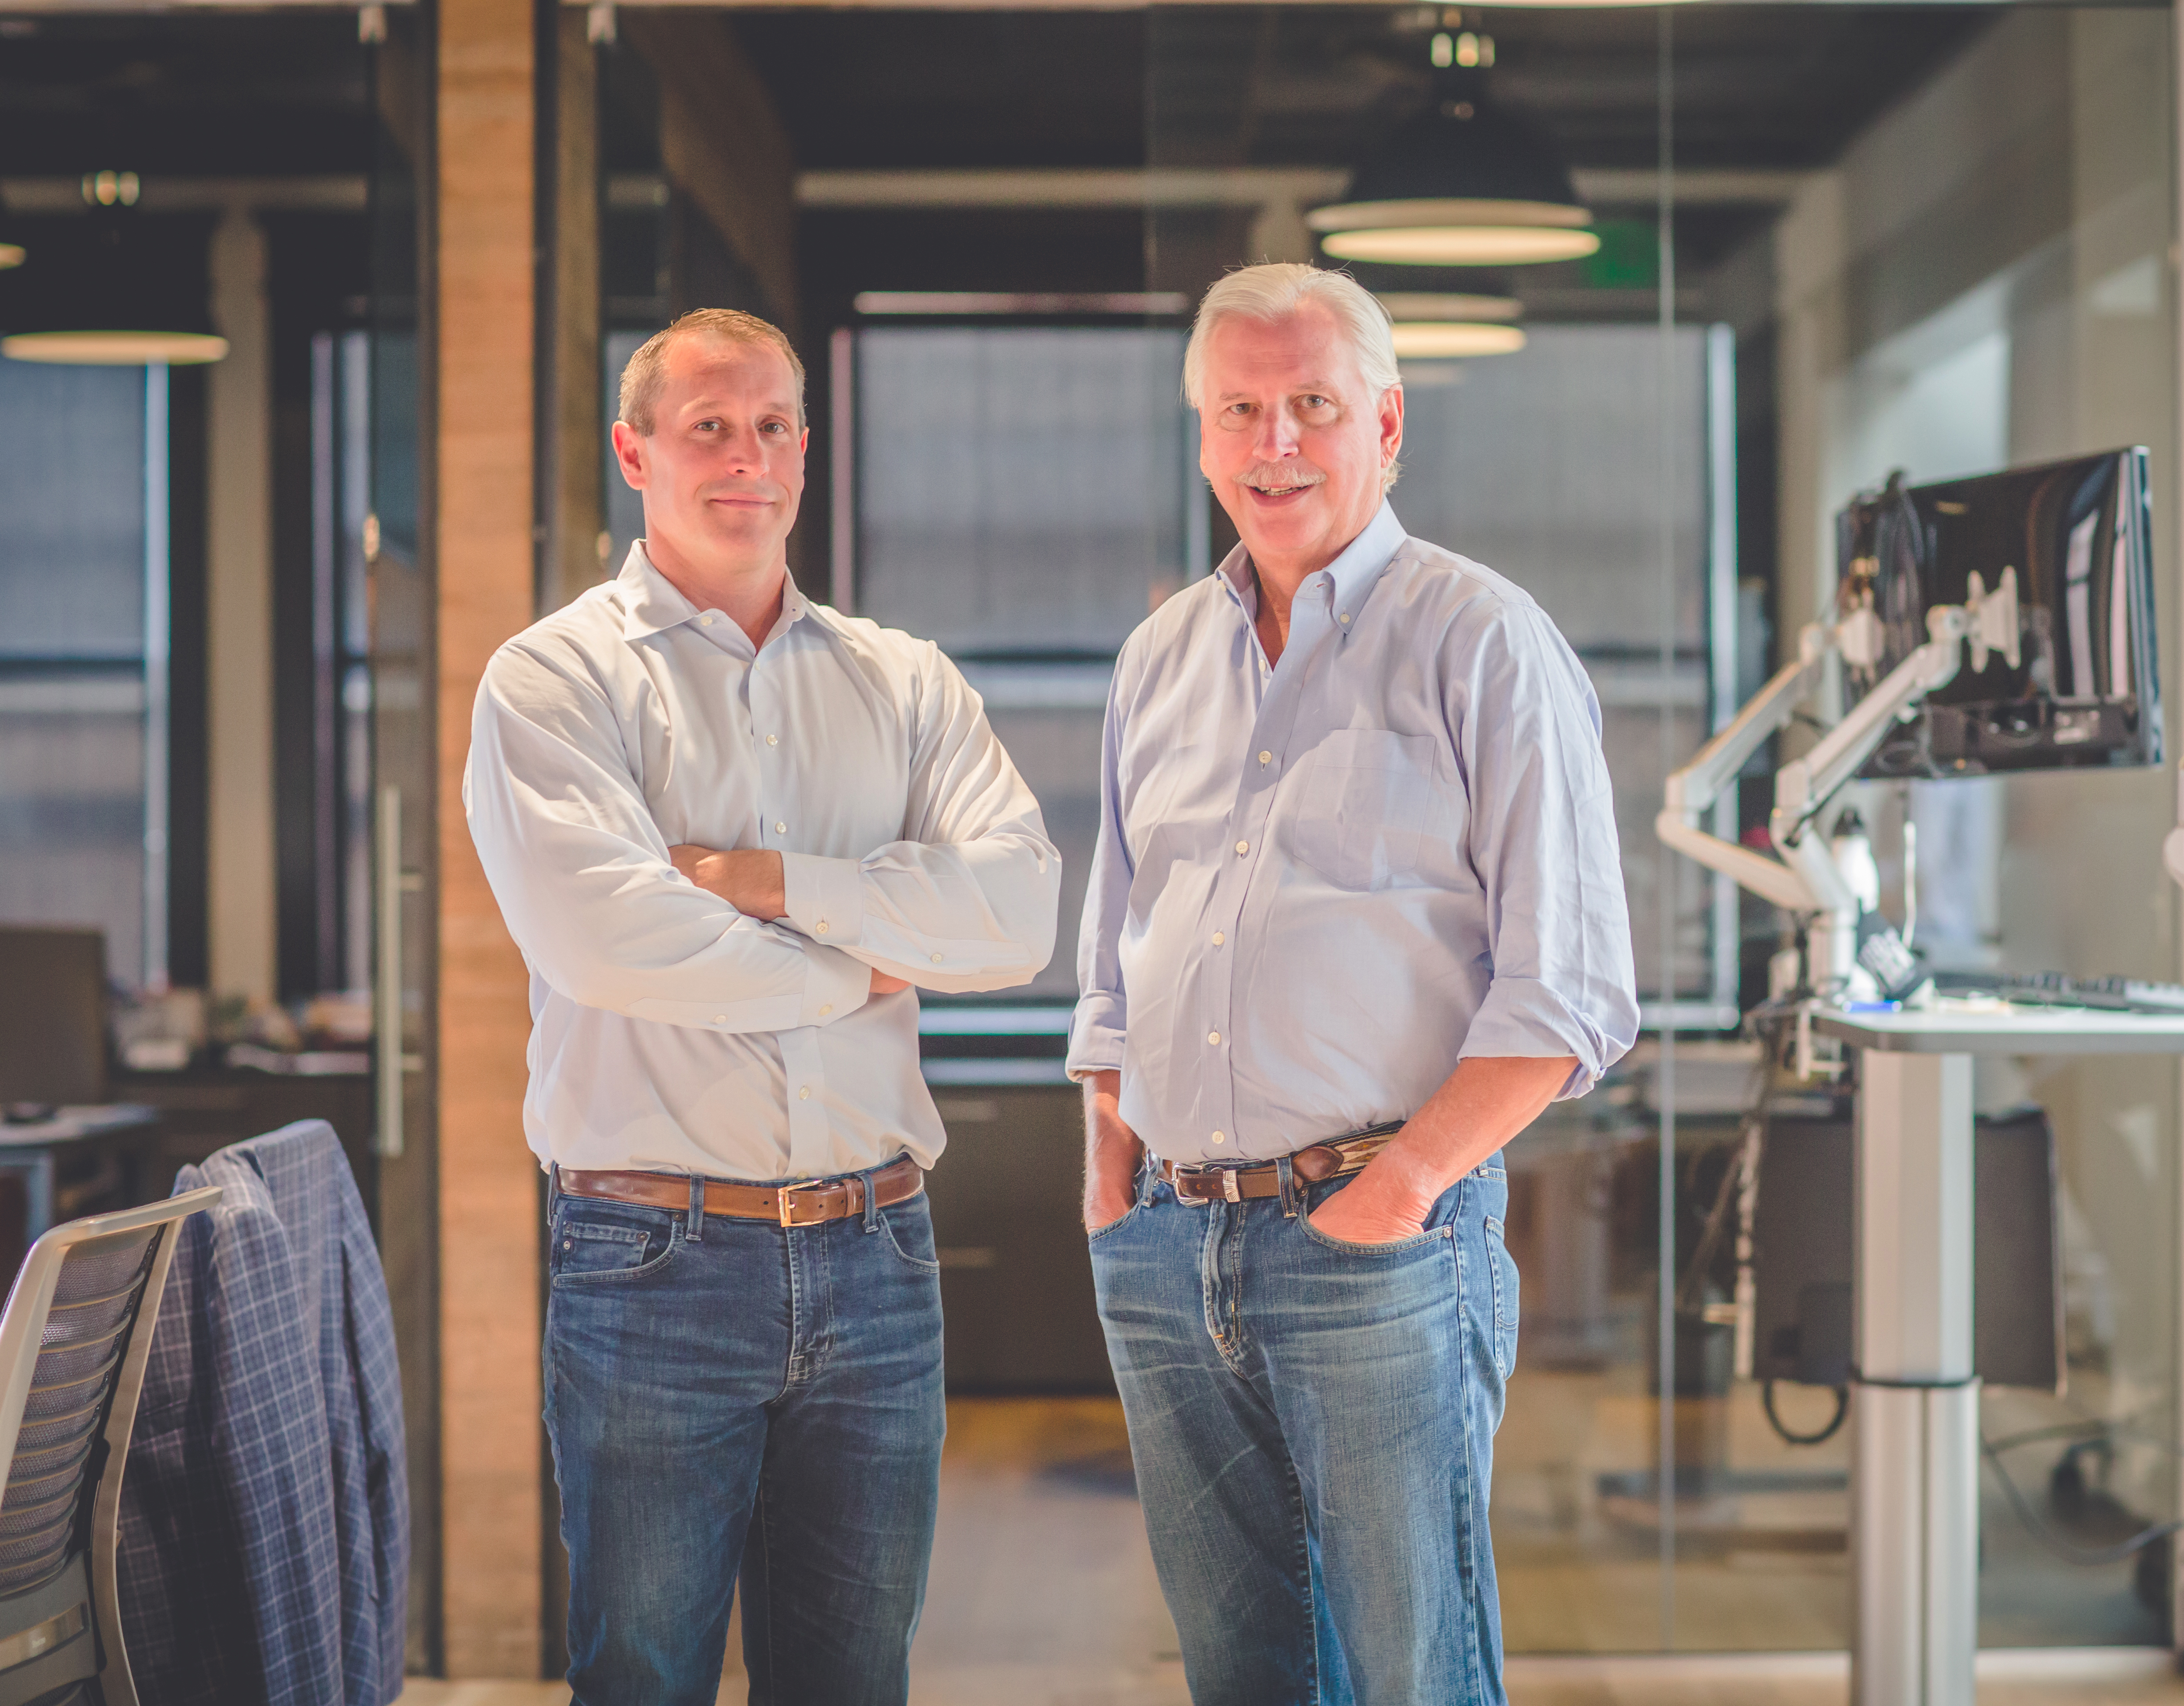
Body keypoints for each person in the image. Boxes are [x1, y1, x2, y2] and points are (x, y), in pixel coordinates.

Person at [466, 307, 1060, 1705]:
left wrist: (760, 882)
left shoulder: (902, 680)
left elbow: (1019, 912)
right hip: (653, 1258)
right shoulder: (552, 681)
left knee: (855, 1677)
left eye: (774, 425)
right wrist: (870, 955)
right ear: (636, 451)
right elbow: (614, 940)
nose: (749, 457)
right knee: (644, 1676)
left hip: (878, 1253)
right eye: (709, 427)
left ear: (807, 444)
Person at [1069, 263, 1639, 1705]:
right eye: (1241, 410)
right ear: (1202, 436)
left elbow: (1568, 992)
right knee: (1238, 1674)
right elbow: (1115, 946)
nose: (1275, 444)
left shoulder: (1482, 639)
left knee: (1411, 1675)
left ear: (1386, 426)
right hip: (1169, 1242)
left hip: (1381, 1239)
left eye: (1312, 407)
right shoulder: (1158, 660)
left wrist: (1391, 1200)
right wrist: (1111, 1172)